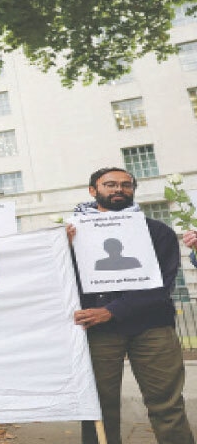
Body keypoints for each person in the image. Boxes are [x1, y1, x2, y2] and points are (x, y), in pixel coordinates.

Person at [68, 167, 194, 444]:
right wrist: (61, 249)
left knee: (167, 405)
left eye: (126, 185)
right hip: (95, 330)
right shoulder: (72, 234)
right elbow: (59, 280)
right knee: (98, 408)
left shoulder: (157, 231)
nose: (118, 190)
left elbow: (163, 285)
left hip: (152, 327)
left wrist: (112, 310)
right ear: (93, 190)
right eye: (110, 184)